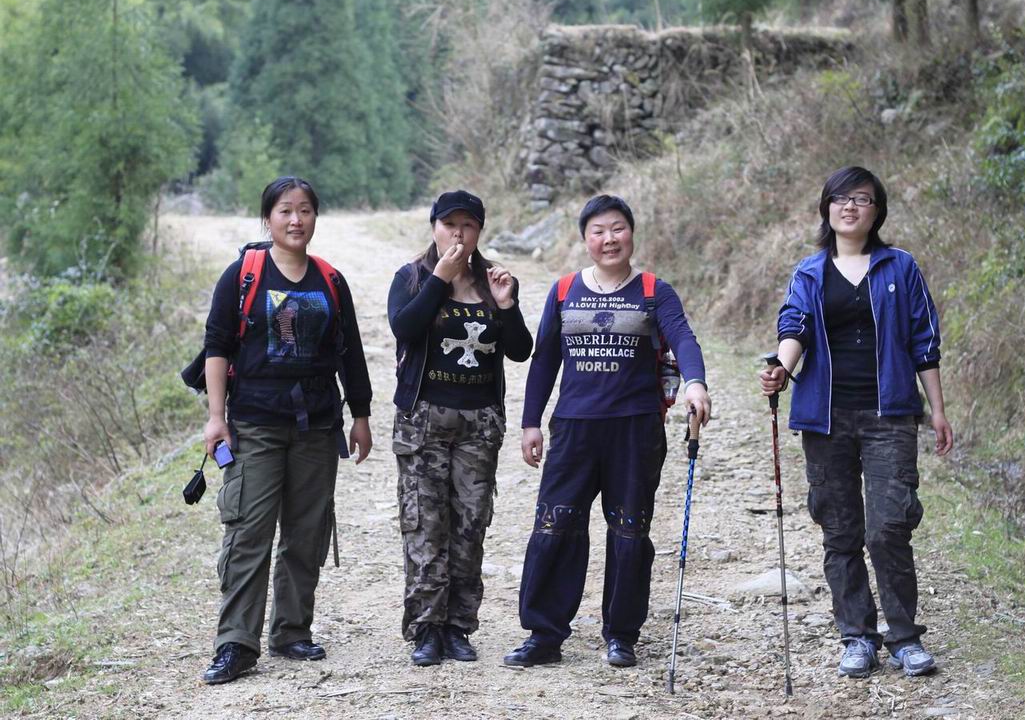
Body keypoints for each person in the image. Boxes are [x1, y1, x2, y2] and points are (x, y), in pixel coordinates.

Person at [759, 166, 953, 680]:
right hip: (826, 418)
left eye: (862, 199)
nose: (851, 207)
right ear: (827, 208)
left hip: (890, 413)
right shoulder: (810, 272)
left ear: (877, 211)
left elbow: (923, 343)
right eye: (841, 199)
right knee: (840, 528)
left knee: (889, 524)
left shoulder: (900, 267)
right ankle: (857, 636)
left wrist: (936, 410)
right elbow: (793, 325)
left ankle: (905, 638)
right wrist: (782, 367)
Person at [505, 194, 712, 669]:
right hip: (574, 429)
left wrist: (695, 384)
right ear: (585, 240)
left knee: (629, 532)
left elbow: (683, 339)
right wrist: (530, 423)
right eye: (598, 231)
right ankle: (544, 634)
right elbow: (544, 361)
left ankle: (621, 634)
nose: (609, 238)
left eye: (618, 228)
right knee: (555, 527)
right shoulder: (563, 292)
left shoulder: (655, 291)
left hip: (635, 431)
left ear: (632, 234)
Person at [200, 176, 373, 685]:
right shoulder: (244, 275)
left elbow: (352, 354)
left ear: (316, 218)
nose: (295, 220)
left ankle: (292, 630)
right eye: (284, 211)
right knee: (248, 533)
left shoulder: (331, 281)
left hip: (317, 426)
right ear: (268, 219)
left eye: (304, 210)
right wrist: (216, 417)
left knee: (306, 532)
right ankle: (236, 643)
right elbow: (216, 346)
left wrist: (360, 415)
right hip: (255, 423)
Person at [388, 190, 533, 666]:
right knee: (425, 526)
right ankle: (426, 628)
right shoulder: (411, 276)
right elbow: (405, 329)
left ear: (479, 231)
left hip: (478, 424)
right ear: (433, 226)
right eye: (449, 224)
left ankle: (458, 627)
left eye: (468, 225)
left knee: (470, 525)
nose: (458, 233)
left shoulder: (494, 279)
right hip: (424, 420)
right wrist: (439, 281)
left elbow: (519, 349)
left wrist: (507, 306)